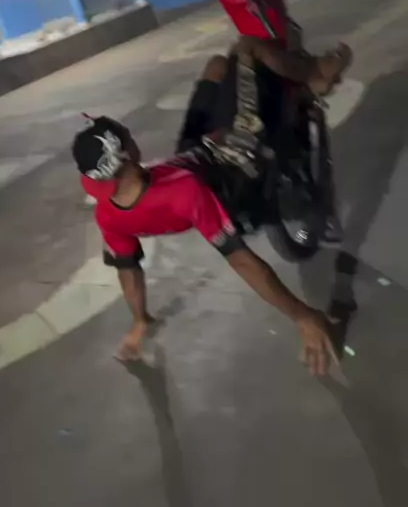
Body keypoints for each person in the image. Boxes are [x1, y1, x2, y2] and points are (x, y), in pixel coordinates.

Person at [72, 111, 342, 376]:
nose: (132, 138)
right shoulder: (182, 192)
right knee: (267, 161)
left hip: (202, 160)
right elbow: (241, 260)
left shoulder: (107, 214)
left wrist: (139, 322)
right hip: (224, 178)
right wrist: (303, 315)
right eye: (128, 136)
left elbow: (128, 269)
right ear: (127, 155)